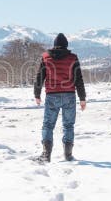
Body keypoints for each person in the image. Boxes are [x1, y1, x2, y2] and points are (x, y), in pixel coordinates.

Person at [33, 33, 86, 162]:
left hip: (52, 95)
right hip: (69, 95)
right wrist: (82, 98)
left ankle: (46, 155)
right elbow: (78, 79)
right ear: (66, 45)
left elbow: (40, 76)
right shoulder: (73, 58)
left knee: (48, 125)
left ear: (54, 45)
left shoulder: (46, 57)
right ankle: (68, 155)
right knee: (68, 125)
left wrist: (37, 94)